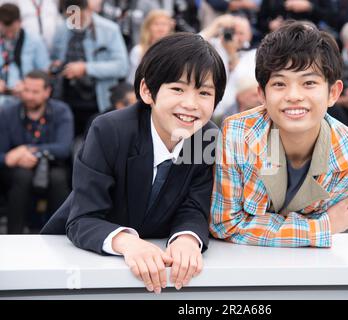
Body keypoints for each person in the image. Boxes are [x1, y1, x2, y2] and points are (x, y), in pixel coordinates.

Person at [41, 33, 227, 294]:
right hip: (79, 257)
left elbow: (194, 206)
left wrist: (187, 238)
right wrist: (128, 242)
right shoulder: (109, 131)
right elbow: (84, 217)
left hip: (156, 265)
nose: (190, 104)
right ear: (146, 91)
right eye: (177, 89)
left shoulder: (206, 137)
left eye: (204, 92)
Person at [209, 21, 348, 247]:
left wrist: (257, 226)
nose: (294, 95)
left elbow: (341, 226)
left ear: (333, 92)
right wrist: (320, 228)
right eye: (279, 84)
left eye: (308, 83)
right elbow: (224, 224)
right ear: (262, 94)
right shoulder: (237, 135)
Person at [0, 70, 73, 234]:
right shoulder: (8, 112)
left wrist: (28, 150)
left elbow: (64, 148)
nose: (29, 96)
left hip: (53, 165)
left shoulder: (61, 111)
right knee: (22, 176)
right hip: (17, 170)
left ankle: (60, 234)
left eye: (35, 92)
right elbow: (3, 154)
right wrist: (9, 159)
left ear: (47, 92)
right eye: (26, 90)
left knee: (58, 178)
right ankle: (14, 236)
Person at [50, 0, 128, 136]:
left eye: (78, 16)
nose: (74, 21)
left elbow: (121, 66)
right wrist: (55, 65)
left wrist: (86, 68)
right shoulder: (61, 29)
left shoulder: (109, 29)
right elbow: (53, 59)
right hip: (66, 100)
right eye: (69, 17)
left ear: (88, 10)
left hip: (98, 101)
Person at [0, 3, 50, 107]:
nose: (9, 35)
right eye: (5, 31)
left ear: (20, 22)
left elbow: (45, 72)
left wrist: (27, 86)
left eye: (12, 31)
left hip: (26, 98)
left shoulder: (35, 41)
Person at [127, 9, 174, 84]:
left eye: (164, 24)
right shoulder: (138, 50)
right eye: (156, 24)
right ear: (148, 27)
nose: (160, 28)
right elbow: (132, 80)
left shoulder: (175, 50)